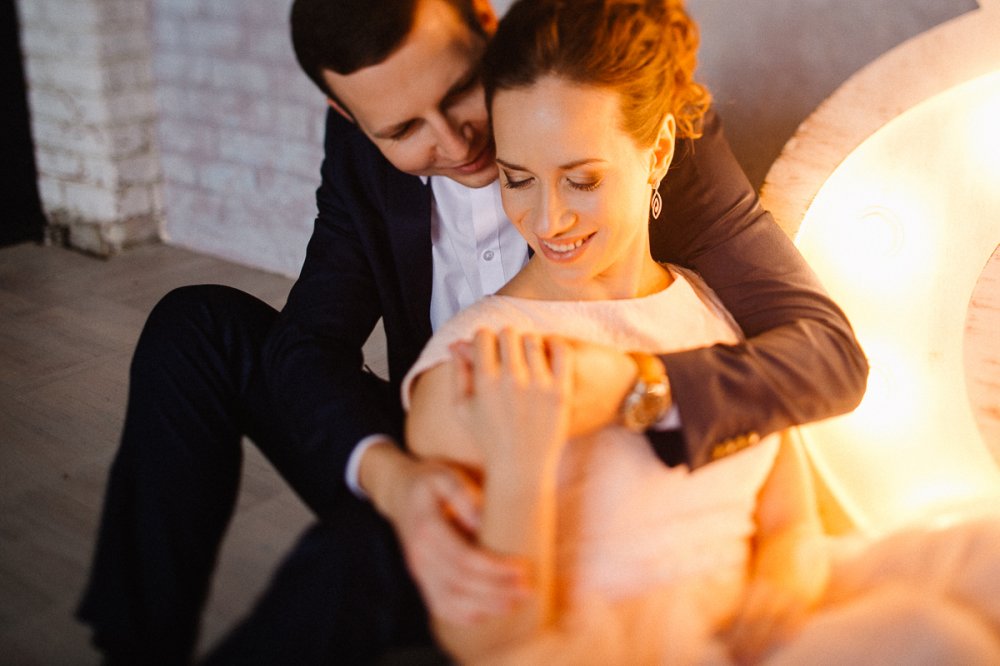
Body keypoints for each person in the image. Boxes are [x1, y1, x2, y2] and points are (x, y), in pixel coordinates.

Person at [75, 0, 867, 662]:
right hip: (440, 436)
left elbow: (825, 351)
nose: (456, 145)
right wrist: (396, 480)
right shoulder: (357, 150)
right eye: (403, 132)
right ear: (348, 118)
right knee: (196, 326)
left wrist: (636, 386)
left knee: (361, 558)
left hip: (585, 463)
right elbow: (307, 348)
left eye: (459, 92)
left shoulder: (632, 125)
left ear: (484, 23)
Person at [400, 0, 818, 660]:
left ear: (658, 154)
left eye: (581, 180)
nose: (547, 221)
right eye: (517, 179)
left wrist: (785, 575)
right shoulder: (471, 366)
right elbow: (487, 644)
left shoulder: (713, 305)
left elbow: (792, 519)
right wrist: (522, 466)